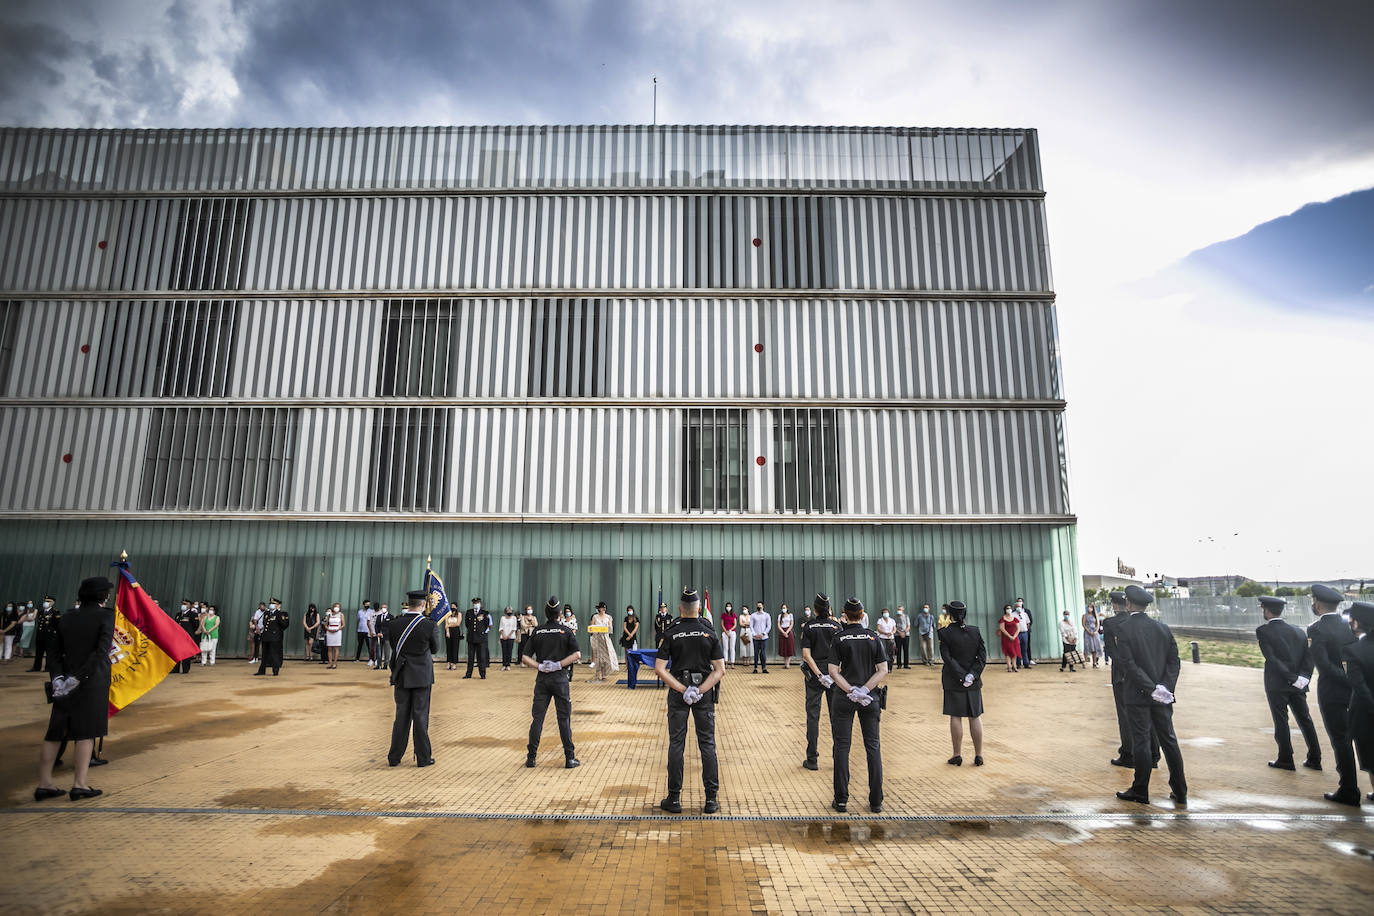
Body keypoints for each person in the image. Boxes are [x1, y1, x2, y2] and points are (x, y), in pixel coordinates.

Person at [34, 576, 115, 802]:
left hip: (63, 683)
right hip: (91, 682)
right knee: (85, 733)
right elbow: (100, 652)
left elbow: (54, 651)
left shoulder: (67, 617)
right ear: (102, 596)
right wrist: (79, 677)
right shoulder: (106, 616)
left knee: (55, 732)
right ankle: (79, 784)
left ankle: (44, 783)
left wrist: (59, 677)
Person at [1112, 585, 1187, 807]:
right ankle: (1180, 790)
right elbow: (1174, 661)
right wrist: (1164, 687)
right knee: (1169, 741)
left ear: (1128, 604)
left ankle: (1140, 790)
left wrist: (1150, 687)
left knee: (1142, 741)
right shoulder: (1163, 628)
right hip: (1162, 696)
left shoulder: (1124, 629)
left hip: (1137, 695)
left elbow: (1128, 664)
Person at [653, 588, 725, 815]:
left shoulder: (671, 632)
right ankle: (711, 800)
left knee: (677, 744)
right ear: (699, 609)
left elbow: (659, 668)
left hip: (678, 694)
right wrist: (700, 690)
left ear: (680, 609)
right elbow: (720, 670)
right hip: (703, 694)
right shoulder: (709, 632)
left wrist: (683, 690)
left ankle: (674, 799)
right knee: (707, 745)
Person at [828, 597, 888, 813]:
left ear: (844, 615)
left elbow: (833, 671)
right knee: (873, 747)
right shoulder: (873, 637)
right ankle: (876, 801)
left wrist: (850, 690)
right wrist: (864, 690)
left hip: (844, 699)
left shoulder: (839, 638)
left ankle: (841, 799)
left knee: (842, 747)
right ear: (863, 615)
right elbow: (882, 669)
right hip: (870, 698)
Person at [1254, 594, 1320, 771]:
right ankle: (1315, 758)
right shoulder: (1298, 631)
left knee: (1281, 721)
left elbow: (1272, 659)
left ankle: (1285, 759)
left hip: (1277, 684)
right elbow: (1309, 655)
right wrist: (1303, 677)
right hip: (1298, 684)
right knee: (1305, 720)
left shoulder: (1263, 631)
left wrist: (1291, 678)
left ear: (1267, 611)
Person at [1308, 583, 1359, 806]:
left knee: (1341, 741)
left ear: (1317, 604)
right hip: (1358, 691)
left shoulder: (1316, 629)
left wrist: (1345, 678)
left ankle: (1348, 790)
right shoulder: (1351, 626)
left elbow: (1323, 665)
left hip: (1332, 693)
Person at [523, 596, 581, 768]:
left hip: (542, 679)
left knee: (537, 719)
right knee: (564, 719)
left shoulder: (538, 631)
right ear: (560, 614)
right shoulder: (565, 631)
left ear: (546, 613)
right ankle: (569, 758)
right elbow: (577, 655)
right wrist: (558, 665)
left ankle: (531, 758)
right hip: (560, 678)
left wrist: (540, 667)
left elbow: (525, 657)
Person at [386, 589, 439, 767]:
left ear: (408, 604)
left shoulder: (394, 624)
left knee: (401, 716)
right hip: (422, 675)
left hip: (401, 673)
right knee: (420, 716)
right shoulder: (429, 625)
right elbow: (435, 649)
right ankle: (423, 758)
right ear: (423, 605)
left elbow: (394, 646)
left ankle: (394, 757)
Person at [939, 600, 987, 766]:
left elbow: (947, 658)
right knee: (975, 716)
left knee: (956, 716)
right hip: (973, 681)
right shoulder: (975, 631)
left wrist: (961, 675)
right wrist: (972, 675)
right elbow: (982, 657)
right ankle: (978, 755)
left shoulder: (944, 633)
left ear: (950, 614)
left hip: (953, 679)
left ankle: (957, 754)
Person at [800, 593, 842, 770]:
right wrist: (834, 674)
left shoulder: (809, 627)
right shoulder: (836, 626)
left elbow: (806, 655)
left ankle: (812, 759)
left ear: (815, 609)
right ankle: (838, 757)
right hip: (834, 676)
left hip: (815, 677)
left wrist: (819, 675)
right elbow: (842, 654)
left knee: (813, 717)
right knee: (836, 718)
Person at [1341, 601, 1374, 803]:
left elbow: (1360, 687)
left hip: (1366, 716)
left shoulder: (1354, 651)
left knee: (1371, 759)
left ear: (1355, 623)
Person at [255, 599, 288, 676]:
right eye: (270, 603)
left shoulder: (279, 614)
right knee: (264, 655)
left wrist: (277, 632)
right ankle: (261, 671)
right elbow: (264, 623)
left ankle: (275, 671)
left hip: (274, 637)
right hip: (266, 636)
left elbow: (284, 624)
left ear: (277, 605)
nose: (271, 605)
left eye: (273, 603)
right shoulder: (266, 613)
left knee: (274, 654)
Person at [589, 602, 619, 682]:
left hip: (605, 638)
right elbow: (591, 628)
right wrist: (596, 629)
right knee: (598, 656)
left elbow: (610, 628)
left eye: (603, 608)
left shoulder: (609, 617)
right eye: (601, 608)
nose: (602, 609)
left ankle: (604, 674)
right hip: (597, 638)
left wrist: (606, 628)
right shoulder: (595, 617)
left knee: (607, 656)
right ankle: (597, 674)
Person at [464, 598, 492, 679]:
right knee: (470, 657)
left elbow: (486, 624)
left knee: (481, 657)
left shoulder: (484, 612)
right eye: (474, 602)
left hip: (481, 638)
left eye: (477, 602)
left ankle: (482, 674)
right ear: (472, 603)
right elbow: (467, 624)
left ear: (480, 603)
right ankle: (468, 674)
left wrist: (481, 631)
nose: (476, 604)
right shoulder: (469, 612)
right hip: (471, 638)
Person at [174, 599, 199, 674]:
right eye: (183, 604)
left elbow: (195, 626)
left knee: (186, 653)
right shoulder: (178, 614)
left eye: (186, 604)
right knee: (177, 653)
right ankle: (175, 669)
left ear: (190, 605)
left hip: (187, 637)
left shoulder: (193, 614)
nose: (184, 606)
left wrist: (191, 635)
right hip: (177, 637)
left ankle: (185, 669)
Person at [749, 601, 771, 673]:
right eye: (758, 605)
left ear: (763, 606)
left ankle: (764, 668)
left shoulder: (767, 615)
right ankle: (755, 668)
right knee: (756, 653)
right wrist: (754, 634)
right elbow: (751, 626)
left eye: (760, 605)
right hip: (755, 637)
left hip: (764, 637)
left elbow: (769, 626)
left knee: (763, 653)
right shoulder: (753, 615)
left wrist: (763, 634)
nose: (759, 607)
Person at [996, 605, 1020, 673]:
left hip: (1015, 638)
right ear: (1005, 610)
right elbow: (1002, 629)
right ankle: (1009, 666)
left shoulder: (1015, 618)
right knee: (1008, 652)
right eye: (1007, 608)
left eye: (1010, 608)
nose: (1009, 609)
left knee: (1014, 652)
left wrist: (1014, 636)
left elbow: (1018, 628)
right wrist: (1009, 636)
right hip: (1006, 638)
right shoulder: (1003, 619)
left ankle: (1014, 666)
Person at [1014, 598, 1035, 667]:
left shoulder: (1025, 613)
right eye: (1017, 606)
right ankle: (1018, 663)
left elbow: (1028, 622)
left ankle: (1026, 663)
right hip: (1017, 633)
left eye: (1019, 606)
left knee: (1025, 648)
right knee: (1018, 648)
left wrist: (1026, 629)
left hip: (1025, 633)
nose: (1018, 607)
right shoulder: (1013, 614)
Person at [374, 603, 395, 671]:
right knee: (378, 651)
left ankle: (386, 664)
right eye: (382, 607)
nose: (383, 609)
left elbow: (391, 627)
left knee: (387, 651)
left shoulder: (391, 617)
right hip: (379, 637)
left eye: (385, 607)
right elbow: (376, 626)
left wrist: (384, 633)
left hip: (387, 637)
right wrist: (377, 633)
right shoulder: (379, 616)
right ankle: (378, 664)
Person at [498, 607, 519, 671]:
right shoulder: (502, 618)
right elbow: (501, 628)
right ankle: (504, 665)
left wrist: (509, 635)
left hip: (511, 637)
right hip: (503, 637)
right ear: (505, 611)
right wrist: (504, 635)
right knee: (504, 651)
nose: (509, 611)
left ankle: (508, 665)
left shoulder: (514, 618)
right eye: (508, 610)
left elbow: (514, 628)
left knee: (509, 651)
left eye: (510, 610)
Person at [324, 603, 344, 668]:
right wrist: (328, 629)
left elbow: (343, 624)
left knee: (336, 648)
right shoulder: (329, 615)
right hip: (329, 632)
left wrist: (338, 629)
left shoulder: (341, 614)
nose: (336, 608)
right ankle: (330, 663)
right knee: (329, 648)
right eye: (335, 606)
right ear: (333, 607)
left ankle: (335, 663)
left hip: (337, 632)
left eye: (338, 607)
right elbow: (326, 625)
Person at [443, 606, 463, 670]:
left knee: (455, 647)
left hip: (456, 631)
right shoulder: (447, 614)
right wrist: (447, 632)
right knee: (448, 647)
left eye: (454, 606)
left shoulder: (459, 614)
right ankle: (449, 662)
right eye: (451, 606)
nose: (452, 608)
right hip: (448, 631)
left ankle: (454, 663)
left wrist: (449, 625)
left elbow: (457, 624)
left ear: (457, 607)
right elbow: (446, 624)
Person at [720, 603, 738, 668]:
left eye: (729, 606)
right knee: (725, 648)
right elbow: (722, 624)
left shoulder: (733, 615)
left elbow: (735, 624)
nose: (728, 607)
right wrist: (726, 632)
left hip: (732, 632)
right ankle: (726, 663)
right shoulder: (723, 615)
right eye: (727, 606)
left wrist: (730, 630)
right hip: (725, 632)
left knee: (732, 648)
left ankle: (732, 663)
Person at [777, 604, 795, 669]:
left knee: (789, 647)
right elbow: (779, 625)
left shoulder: (790, 615)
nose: (783, 609)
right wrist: (783, 632)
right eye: (782, 608)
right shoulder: (780, 616)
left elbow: (791, 624)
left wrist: (787, 632)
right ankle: (785, 663)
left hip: (789, 632)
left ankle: (788, 663)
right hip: (782, 631)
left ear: (787, 608)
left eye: (784, 608)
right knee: (783, 648)